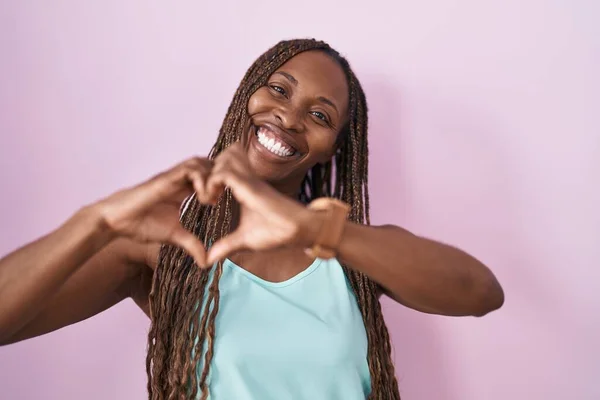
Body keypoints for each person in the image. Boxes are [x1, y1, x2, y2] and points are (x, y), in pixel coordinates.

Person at [0, 39, 504, 399]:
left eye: (321, 115)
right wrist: (96, 223)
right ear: (247, 94)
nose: (288, 117)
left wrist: (311, 228)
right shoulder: (163, 247)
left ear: (334, 151)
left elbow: (481, 293)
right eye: (280, 90)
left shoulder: (351, 251)